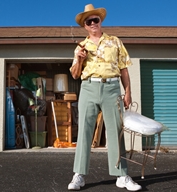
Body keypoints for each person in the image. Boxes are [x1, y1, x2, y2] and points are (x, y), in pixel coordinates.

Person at [68, 4, 142, 191]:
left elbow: (124, 69)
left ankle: (121, 175)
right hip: (88, 88)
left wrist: (128, 93)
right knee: (84, 130)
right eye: (89, 21)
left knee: (116, 132)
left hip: (111, 88)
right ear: (84, 26)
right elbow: (75, 75)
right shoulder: (81, 47)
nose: (93, 23)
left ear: (101, 22)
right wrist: (79, 59)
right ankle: (79, 175)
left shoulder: (115, 41)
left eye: (96, 19)